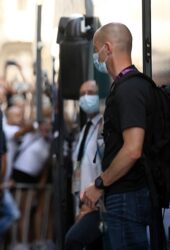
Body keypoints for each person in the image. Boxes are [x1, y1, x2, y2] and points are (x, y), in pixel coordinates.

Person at [81, 22, 153, 249]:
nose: (96, 56)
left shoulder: (129, 89)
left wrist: (100, 184)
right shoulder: (129, 86)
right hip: (125, 198)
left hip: (127, 199)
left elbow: (132, 149)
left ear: (107, 48)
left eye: (96, 50)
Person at [65, 80, 103, 250]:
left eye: (91, 92)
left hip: (97, 205)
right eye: (82, 94)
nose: (86, 97)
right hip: (82, 205)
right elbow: (78, 167)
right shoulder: (84, 130)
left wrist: (92, 203)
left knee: (73, 240)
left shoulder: (103, 127)